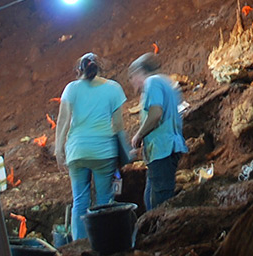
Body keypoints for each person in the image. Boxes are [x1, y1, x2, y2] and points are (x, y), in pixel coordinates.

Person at [54, 53, 127, 243]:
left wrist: (59, 149)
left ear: (79, 70)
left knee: (80, 201)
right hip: (104, 152)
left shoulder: (71, 88)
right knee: (104, 200)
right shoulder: (113, 88)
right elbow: (118, 126)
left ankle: (79, 245)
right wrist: (124, 152)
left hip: (77, 151)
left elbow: (62, 121)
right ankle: (104, 244)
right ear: (100, 68)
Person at [129, 52, 188, 210]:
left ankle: (163, 233)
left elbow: (156, 114)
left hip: (163, 149)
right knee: (150, 198)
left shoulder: (152, 83)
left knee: (160, 204)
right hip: (164, 149)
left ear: (139, 72)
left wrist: (139, 135)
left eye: (132, 76)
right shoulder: (165, 81)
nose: (132, 81)